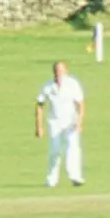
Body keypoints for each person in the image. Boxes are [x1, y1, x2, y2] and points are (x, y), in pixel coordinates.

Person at [36, 59, 87, 188]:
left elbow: (80, 104)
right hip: (54, 122)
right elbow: (39, 104)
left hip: (71, 121)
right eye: (56, 70)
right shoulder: (48, 86)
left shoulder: (73, 84)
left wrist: (79, 121)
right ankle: (51, 179)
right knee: (55, 150)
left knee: (73, 147)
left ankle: (75, 176)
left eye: (61, 70)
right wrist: (39, 126)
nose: (58, 73)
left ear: (66, 71)